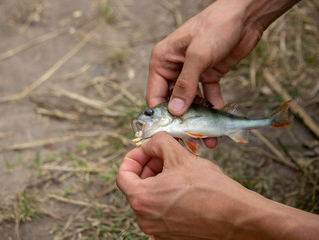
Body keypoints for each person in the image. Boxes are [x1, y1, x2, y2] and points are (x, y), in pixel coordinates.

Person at [116, 0, 319, 239]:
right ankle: (271, 120)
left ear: (170, 112)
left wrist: (231, 216)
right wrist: (245, 12)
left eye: (150, 113)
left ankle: (270, 120)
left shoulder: (176, 119)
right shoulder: (174, 125)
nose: (145, 116)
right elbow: (193, 138)